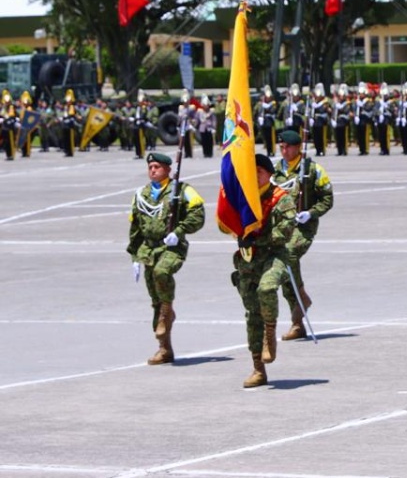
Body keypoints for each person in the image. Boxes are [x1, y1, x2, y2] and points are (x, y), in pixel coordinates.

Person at [223, 153, 303, 388]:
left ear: (269, 174)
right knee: (252, 315)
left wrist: (257, 237)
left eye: (259, 172)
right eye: (252, 172)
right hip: (249, 262)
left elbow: (286, 231)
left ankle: (271, 334)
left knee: (267, 288)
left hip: (274, 257)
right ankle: (258, 368)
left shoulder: (281, 198)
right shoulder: (243, 199)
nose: (255, 176)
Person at [126, 152, 206, 365]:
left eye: (157, 167)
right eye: (150, 166)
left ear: (168, 170)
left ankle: (167, 310)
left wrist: (179, 232)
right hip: (149, 250)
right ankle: (164, 348)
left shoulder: (182, 190)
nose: (153, 170)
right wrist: (134, 255)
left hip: (172, 247)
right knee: (155, 300)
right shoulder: (140, 194)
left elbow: (198, 215)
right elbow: (135, 227)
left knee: (163, 272)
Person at [273, 130, 334, 342]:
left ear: (298, 147)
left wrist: (311, 213)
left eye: (287, 146)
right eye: (281, 146)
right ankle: (298, 318)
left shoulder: (312, 169)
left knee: (288, 254)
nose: (283, 150)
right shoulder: (275, 171)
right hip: (281, 227)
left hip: (303, 228)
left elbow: (327, 199)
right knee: (284, 266)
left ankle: (301, 304)